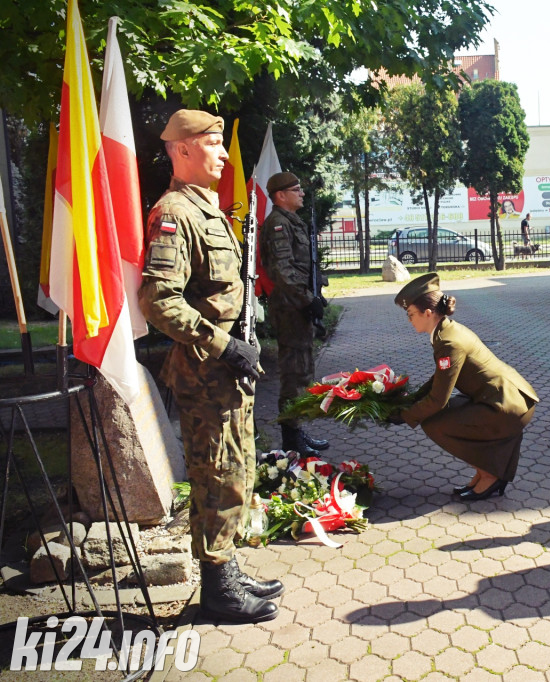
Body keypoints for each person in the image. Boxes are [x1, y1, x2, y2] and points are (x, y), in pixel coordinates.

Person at [138, 109, 282, 623]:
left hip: (225, 372)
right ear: (181, 150)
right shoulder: (173, 214)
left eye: (223, 143)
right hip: (205, 372)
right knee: (215, 475)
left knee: (235, 470)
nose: (223, 154)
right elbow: (159, 300)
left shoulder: (208, 211)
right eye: (213, 143)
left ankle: (228, 568)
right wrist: (223, 345)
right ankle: (218, 591)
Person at [390, 273, 539, 501]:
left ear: (427, 313)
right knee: (442, 414)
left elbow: (438, 399)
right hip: (501, 398)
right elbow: (440, 378)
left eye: (411, 314)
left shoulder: (448, 342)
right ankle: (483, 472)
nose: (409, 320)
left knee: (435, 423)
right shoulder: (446, 330)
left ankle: (490, 474)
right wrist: (410, 400)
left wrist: (405, 415)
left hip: (507, 406)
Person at [259, 171, 330, 458]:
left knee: (303, 371)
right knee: (293, 374)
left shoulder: (291, 221)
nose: (301, 193)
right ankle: (291, 437)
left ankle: (298, 430)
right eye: (296, 189)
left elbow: (303, 266)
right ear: (281, 195)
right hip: (290, 307)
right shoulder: (277, 223)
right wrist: (306, 299)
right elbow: (282, 270)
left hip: (298, 305)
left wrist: (317, 291)